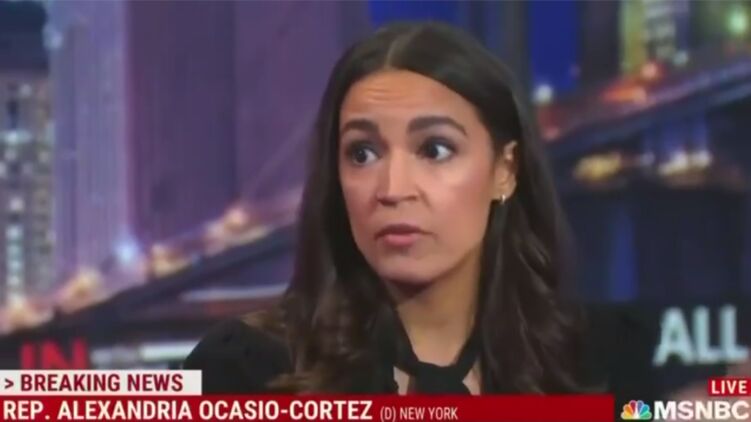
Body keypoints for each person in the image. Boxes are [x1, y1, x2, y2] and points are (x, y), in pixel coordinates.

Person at [184, 21, 656, 397]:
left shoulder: (600, 365)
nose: (393, 190)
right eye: (362, 153)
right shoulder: (244, 373)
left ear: (505, 170)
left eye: (434, 150)